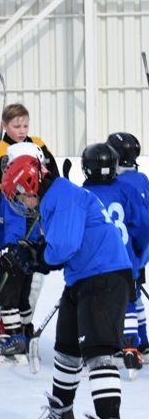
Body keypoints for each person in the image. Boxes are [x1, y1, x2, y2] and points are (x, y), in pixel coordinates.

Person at [1, 155, 135, 419]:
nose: (21, 201)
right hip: (83, 277)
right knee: (67, 349)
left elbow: (61, 249)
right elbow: (56, 244)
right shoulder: (55, 197)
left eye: (20, 194)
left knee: (99, 353)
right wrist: (28, 249)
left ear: (32, 184)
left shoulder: (61, 195)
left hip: (103, 277)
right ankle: (62, 415)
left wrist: (35, 258)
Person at [0, 103, 59, 363]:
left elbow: (51, 178)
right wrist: (8, 184)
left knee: (28, 286)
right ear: (5, 125)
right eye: (16, 126)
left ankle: (20, 330)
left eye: (25, 125)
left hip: (33, 231)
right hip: (5, 228)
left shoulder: (37, 144)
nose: (22, 130)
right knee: (8, 285)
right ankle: (8, 332)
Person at [79, 142, 149, 376]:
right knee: (129, 298)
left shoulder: (83, 194)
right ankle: (132, 345)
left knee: (97, 302)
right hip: (125, 259)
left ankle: (103, 344)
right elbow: (141, 225)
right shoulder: (126, 189)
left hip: (96, 262)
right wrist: (139, 255)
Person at [108, 132, 149, 355]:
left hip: (125, 251)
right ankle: (143, 339)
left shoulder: (117, 183)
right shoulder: (141, 178)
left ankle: (130, 344)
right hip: (140, 249)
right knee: (136, 293)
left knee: (127, 296)